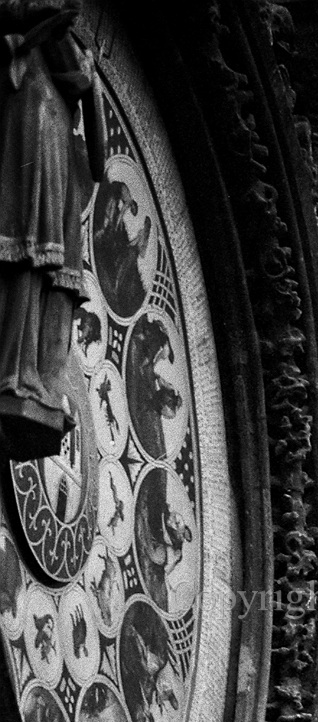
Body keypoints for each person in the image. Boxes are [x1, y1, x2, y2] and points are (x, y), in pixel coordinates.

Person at [0, 0, 105, 461]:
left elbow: (99, 158)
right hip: (33, 117)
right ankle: (17, 372)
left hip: (55, 129)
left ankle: (40, 373)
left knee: (54, 267)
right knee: (29, 252)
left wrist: (86, 78)